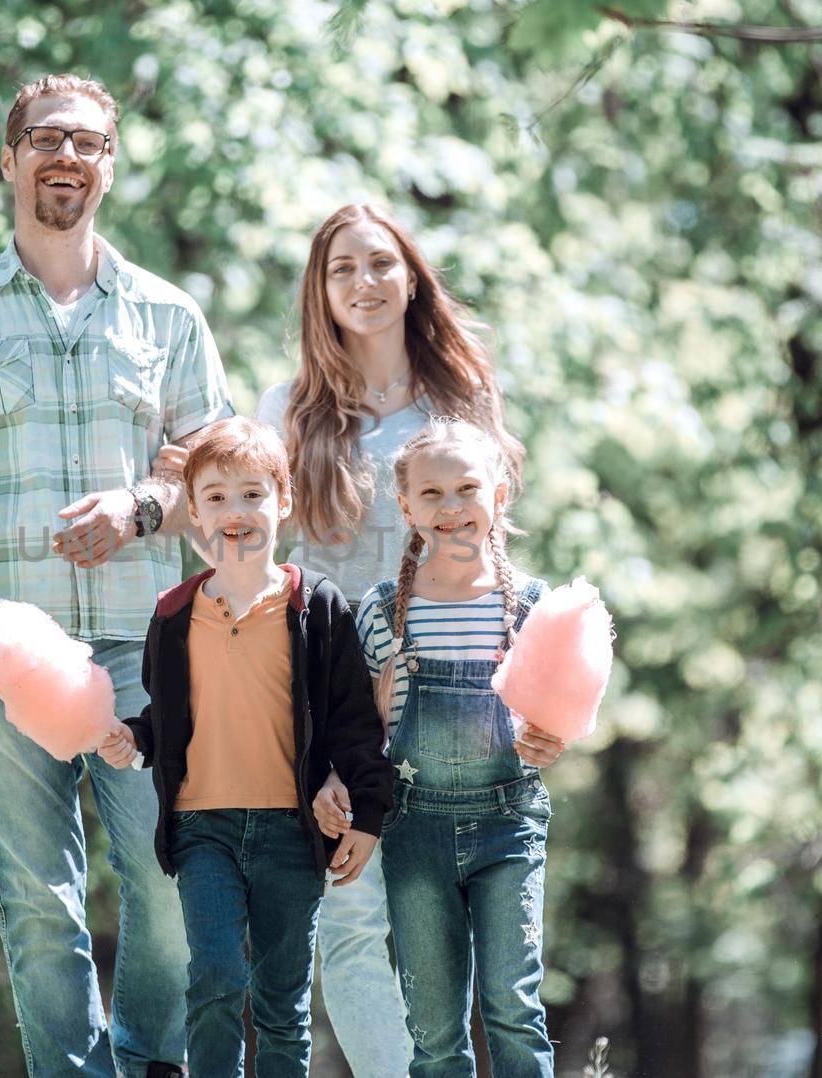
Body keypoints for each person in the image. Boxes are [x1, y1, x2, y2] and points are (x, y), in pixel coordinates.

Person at [0, 73, 233, 1077]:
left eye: (90, 142)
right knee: (37, 901)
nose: (70, 155)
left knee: (167, 876)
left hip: (146, 645)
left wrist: (139, 507)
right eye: (49, 138)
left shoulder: (165, 317)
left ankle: (148, 1057)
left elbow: (215, 475)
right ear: (10, 158)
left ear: (109, 164)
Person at [254, 203, 564, 1075]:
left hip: (459, 694)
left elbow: (498, 561)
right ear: (319, 291)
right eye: (341, 269)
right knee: (351, 923)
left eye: (381, 263)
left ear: (412, 277)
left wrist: (535, 700)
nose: (364, 283)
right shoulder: (289, 411)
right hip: (339, 697)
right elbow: (264, 563)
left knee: (478, 945)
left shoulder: (462, 398)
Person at [97, 416, 394, 1077]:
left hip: (294, 832)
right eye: (217, 497)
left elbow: (351, 724)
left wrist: (367, 812)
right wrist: (135, 740)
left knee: (283, 1005)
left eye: (253, 493)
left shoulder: (316, 607)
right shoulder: (173, 615)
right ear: (196, 516)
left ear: (283, 503)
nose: (236, 511)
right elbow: (165, 714)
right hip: (204, 829)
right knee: (215, 979)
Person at [359, 416, 559, 1077]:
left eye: (466, 489)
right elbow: (358, 734)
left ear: (499, 497)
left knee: (512, 1003)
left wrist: (553, 739)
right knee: (437, 1028)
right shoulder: (383, 610)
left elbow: (558, 718)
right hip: (415, 829)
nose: (451, 508)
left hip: (509, 824)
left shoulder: (534, 608)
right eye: (433, 494)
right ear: (407, 507)